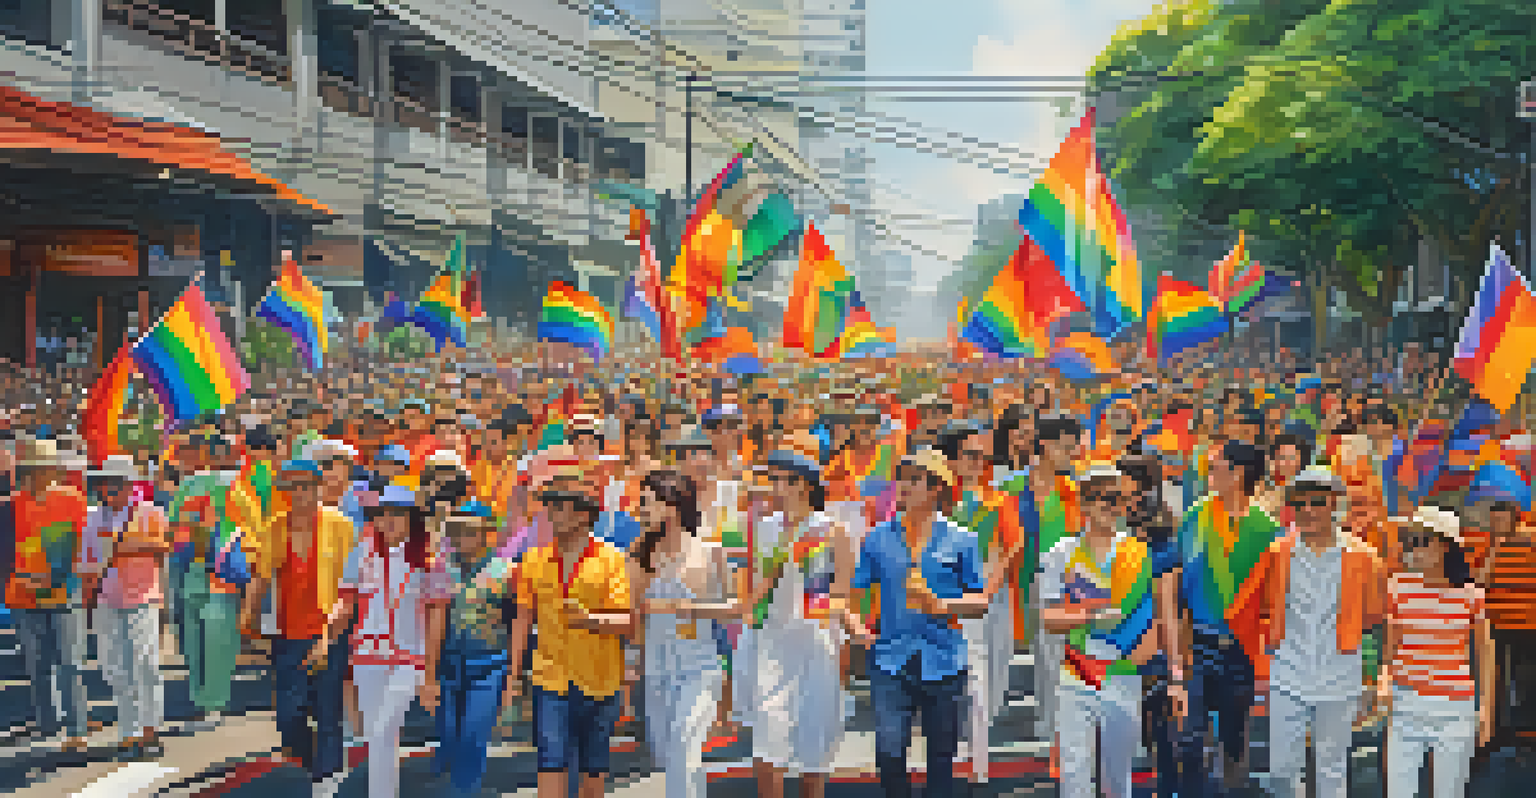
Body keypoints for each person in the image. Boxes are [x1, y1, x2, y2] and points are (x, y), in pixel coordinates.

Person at [1225, 468, 1386, 798]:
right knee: (1281, 771)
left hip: (1340, 676)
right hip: (1288, 674)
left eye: (1317, 502)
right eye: (1300, 503)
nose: (1308, 510)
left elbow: (1374, 621)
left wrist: (1372, 678)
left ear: (1334, 505)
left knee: (1332, 770)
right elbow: (1250, 611)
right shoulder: (1277, 553)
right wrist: (1261, 661)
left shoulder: (1364, 558)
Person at [847, 448, 990, 798]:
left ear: (937, 487)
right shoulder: (877, 536)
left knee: (942, 757)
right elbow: (855, 593)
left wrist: (940, 604)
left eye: (915, 479)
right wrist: (854, 626)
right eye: (903, 479)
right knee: (889, 752)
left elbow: (980, 601)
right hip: (889, 660)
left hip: (945, 661)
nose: (905, 487)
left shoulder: (962, 538)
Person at [738, 441, 854, 798]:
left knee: (813, 752)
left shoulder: (833, 530)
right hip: (770, 646)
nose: (776, 488)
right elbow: (751, 591)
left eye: (784, 480)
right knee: (767, 746)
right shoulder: (764, 528)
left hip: (815, 649)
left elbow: (841, 594)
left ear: (805, 484)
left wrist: (850, 626)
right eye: (773, 480)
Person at [1037, 463, 1159, 798]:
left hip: (1124, 670)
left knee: (1118, 775)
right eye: (1104, 499)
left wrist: (1147, 654)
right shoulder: (1060, 554)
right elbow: (1048, 619)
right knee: (1075, 771)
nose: (1112, 507)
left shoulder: (1140, 551)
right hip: (1079, 668)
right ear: (1085, 504)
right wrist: (1091, 617)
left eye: (1119, 499)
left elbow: (1155, 612)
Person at [311, 484, 441, 798]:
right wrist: (327, 636)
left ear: (412, 519)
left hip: (410, 660)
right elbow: (345, 602)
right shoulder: (361, 553)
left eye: (398, 514)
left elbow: (437, 618)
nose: (389, 520)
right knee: (378, 736)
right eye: (384, 514)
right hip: (367, 659)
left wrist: (430, 675)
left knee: (384, 729)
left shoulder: (431, 560)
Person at [508, 479, 634, 798]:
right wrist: (512, 675)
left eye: (559, 506)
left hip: (601, 680)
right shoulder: (533, 560)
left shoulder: (611, 559)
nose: (551, 513)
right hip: (550, 679)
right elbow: (522, 619)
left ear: (582, 515)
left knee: (593, 773)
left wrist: (588, 619)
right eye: (549, 505)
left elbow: (626, 621)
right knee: (550, 763)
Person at [240, 458, 357, 788]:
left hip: (330, 630)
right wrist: (247, 616)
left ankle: (329, 778)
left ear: (318, 488)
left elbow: (353, 581)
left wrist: (343, 626)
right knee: (288, 715)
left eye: (305, 486)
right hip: (287, 633)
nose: (299, 493)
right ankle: (311, 763)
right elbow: (261, 576)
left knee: (327, 709)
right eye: (293, 487)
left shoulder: (341, 524)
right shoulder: (276, 525)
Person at [1174, 439, 1279, 797]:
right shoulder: (1195, 516)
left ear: (1238, 475)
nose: (1209, 470)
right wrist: (1180, 648)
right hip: (1199, 645)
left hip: (1242, 650)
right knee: (1189, 740)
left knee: (1234, 741)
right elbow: (1181, 587)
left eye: (1217, 464)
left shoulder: (1266, 529)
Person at [631, 470, 738, 798]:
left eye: (647, 503)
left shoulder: (712, 552)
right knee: (671, 755)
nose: (641, 510)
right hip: (657, 670)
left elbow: (736, 609)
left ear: (672, 505)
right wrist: (633, 662)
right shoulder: (640, 555)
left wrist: (689, 608)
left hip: (700, 667)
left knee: (684, 746)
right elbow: (634, 615)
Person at [1380, 507, 1490, 798]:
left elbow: (1484, 654)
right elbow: (1389, 648)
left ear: (1445, 546)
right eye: (1411, 540)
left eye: (1421, 540)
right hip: (1406, 705)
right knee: (1397, 793)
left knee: (1449, 793)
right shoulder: (1397, 587)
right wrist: (1383, 683)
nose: (1413, 547)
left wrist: (1486, 709)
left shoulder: (1471, 595)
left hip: (1455, 709)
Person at [428, 499, 515, 797]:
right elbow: (434, 621)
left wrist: (513, 676)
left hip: (488, 665)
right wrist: (429, 673)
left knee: (473, 736)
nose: (461, 538)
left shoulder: (505, 572)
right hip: (448, 666)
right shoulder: (442, 569)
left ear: (485, 533)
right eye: (457, 531)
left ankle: (463, 791)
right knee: (449, 736)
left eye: (468, 531)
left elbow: (517, 622)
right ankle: (450, 776)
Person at [10, 438, 89, 750]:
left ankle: (76, 728)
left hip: (64, 595)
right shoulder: (12, 504)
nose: (29, 476)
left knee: (70, 662)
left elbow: (84, 546)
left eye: (34, 469)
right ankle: (47, 727)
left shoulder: (73, 500)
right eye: (25, 470)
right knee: (37, 664)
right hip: (24, 596)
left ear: (49, 470)